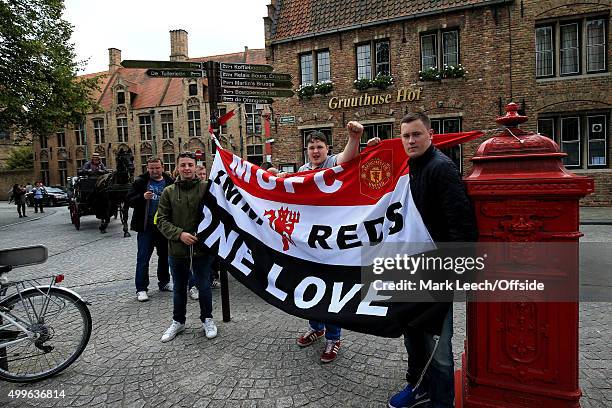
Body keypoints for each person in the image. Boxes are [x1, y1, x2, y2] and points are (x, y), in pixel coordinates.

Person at [388, 112, 478, 408]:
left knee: (439, 343)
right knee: (412, 331)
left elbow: (461, 224)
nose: (411, 140)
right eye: (406, 136)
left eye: (416, 134)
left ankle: (442, 401)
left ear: (430, 135)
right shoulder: (409, 168)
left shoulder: (442, 168)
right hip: (411, 265)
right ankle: (419, 387)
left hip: (438, 268)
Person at [293, 122, 363, 363]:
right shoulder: (302, 169)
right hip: (309, 242)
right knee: (309, 286)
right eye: (311, 147)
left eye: (319, 147)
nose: (315, 151)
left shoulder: (332, 163)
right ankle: (317, 327)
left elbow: (347, 158)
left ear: (326, 149)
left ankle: (334, 337)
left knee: (330, 289)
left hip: (332, 241)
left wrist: (354, 138)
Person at [156, 152, 217, 342]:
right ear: (177, 168)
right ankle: (178, 321)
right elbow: (161, 220)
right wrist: (179, 234)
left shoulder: (207, 188)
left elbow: (217, 213)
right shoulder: (169, 192)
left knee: (204, 286)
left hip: (202, 249)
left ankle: (207, 319)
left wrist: (205, 234)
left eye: (190, 164)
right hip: (177, 249)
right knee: (179, 288)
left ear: (196, 166)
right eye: (183, 165)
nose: (187, 168)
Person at [126, 157, 174, 302]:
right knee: (143, 259)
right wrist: (142, 197)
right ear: (147, 168)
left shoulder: (170, 182)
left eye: (157, 168)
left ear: (162, 167)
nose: (154, 171)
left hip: (164, 226)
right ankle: (141, 289)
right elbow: (128, 201)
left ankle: (164, 282)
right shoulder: (140, 182)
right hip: (146, 227)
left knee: (165, 257)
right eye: (151, 168)